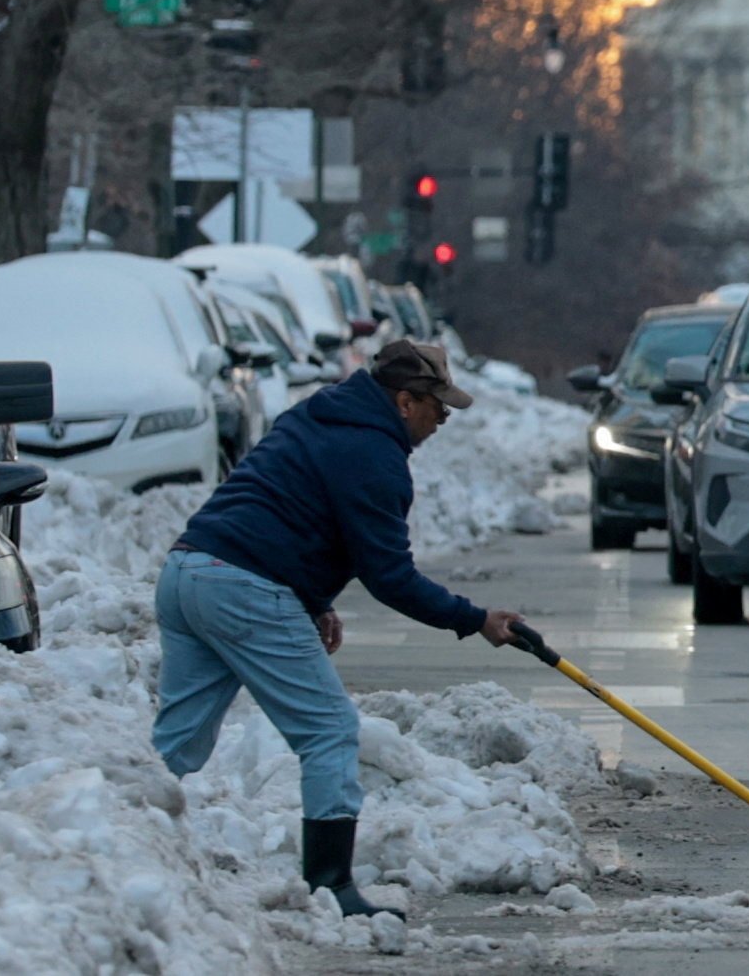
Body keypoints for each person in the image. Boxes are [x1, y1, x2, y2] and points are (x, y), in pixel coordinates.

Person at [151, 338, 525, 916]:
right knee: (328, 730)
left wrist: (311, 599)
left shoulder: (319, 413)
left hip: (189, 572)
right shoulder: (375, 456)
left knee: (178, 741)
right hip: (245, 586)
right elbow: (391, 577)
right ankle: (332, 886)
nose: (443, 418)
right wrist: (474, 619)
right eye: (438, 406)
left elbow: (290, 509)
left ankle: (110, 844)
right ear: (405, 401)